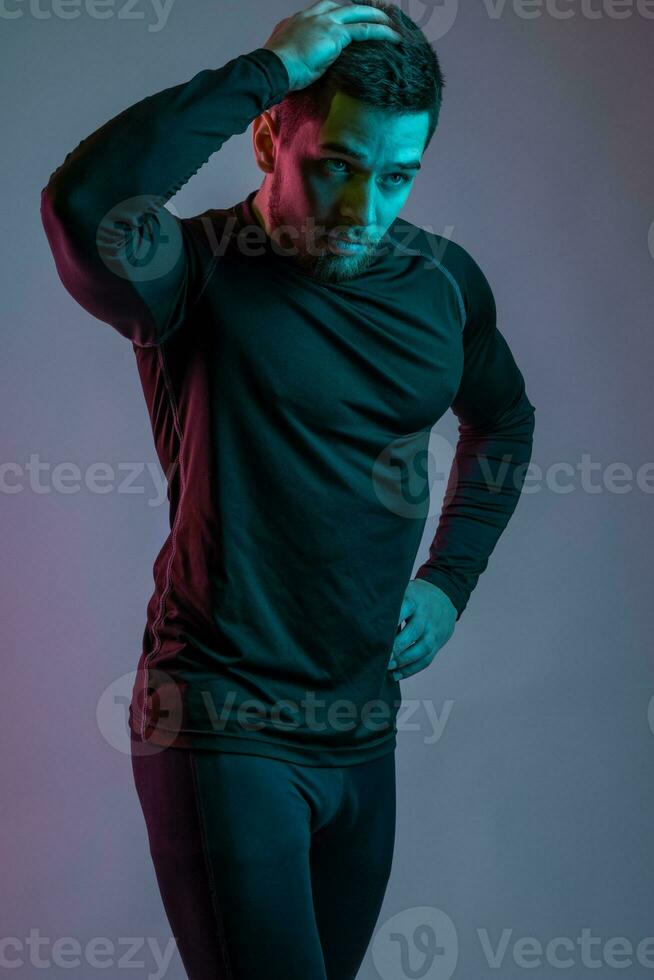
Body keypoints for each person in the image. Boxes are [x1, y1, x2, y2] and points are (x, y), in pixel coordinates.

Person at [40, 1, 536, 976]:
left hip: (359, 728)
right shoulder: (190, 273)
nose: (363, 212)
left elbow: (505, 420)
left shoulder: (443, 286)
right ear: (274, 137)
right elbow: (85, 204)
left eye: (395, 178)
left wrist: (450, 579)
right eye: (336, 167)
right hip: (219, 718)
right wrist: (264, 70)